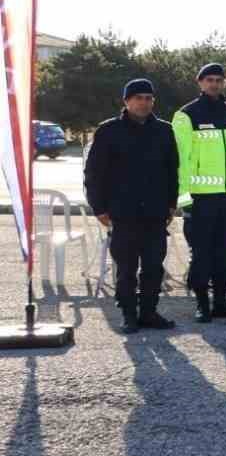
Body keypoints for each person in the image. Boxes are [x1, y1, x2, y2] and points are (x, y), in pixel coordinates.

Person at [83, 78, 179, 333]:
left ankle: (149, 312)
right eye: (138, 98)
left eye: (148, 98)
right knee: (126, 267)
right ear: (126, 101)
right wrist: (99, 208)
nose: (144, 103)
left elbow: (172, 171)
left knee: (153, 267)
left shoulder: (164, 130)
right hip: (122, 212)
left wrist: (171, 204)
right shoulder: (108, 131)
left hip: (155, 212)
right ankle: (128, 314)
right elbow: (94, 173)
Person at [172, 62, 226, 322]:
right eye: (209, 80)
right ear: (200, 83)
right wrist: (184, 197)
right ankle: (201, 304)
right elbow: (181, 160)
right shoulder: (187, 115)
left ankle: (221, 302)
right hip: (199, 199)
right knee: (202, 253)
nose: (214, 84)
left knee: (225, 251)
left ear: (224, 83)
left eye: (218, 80)